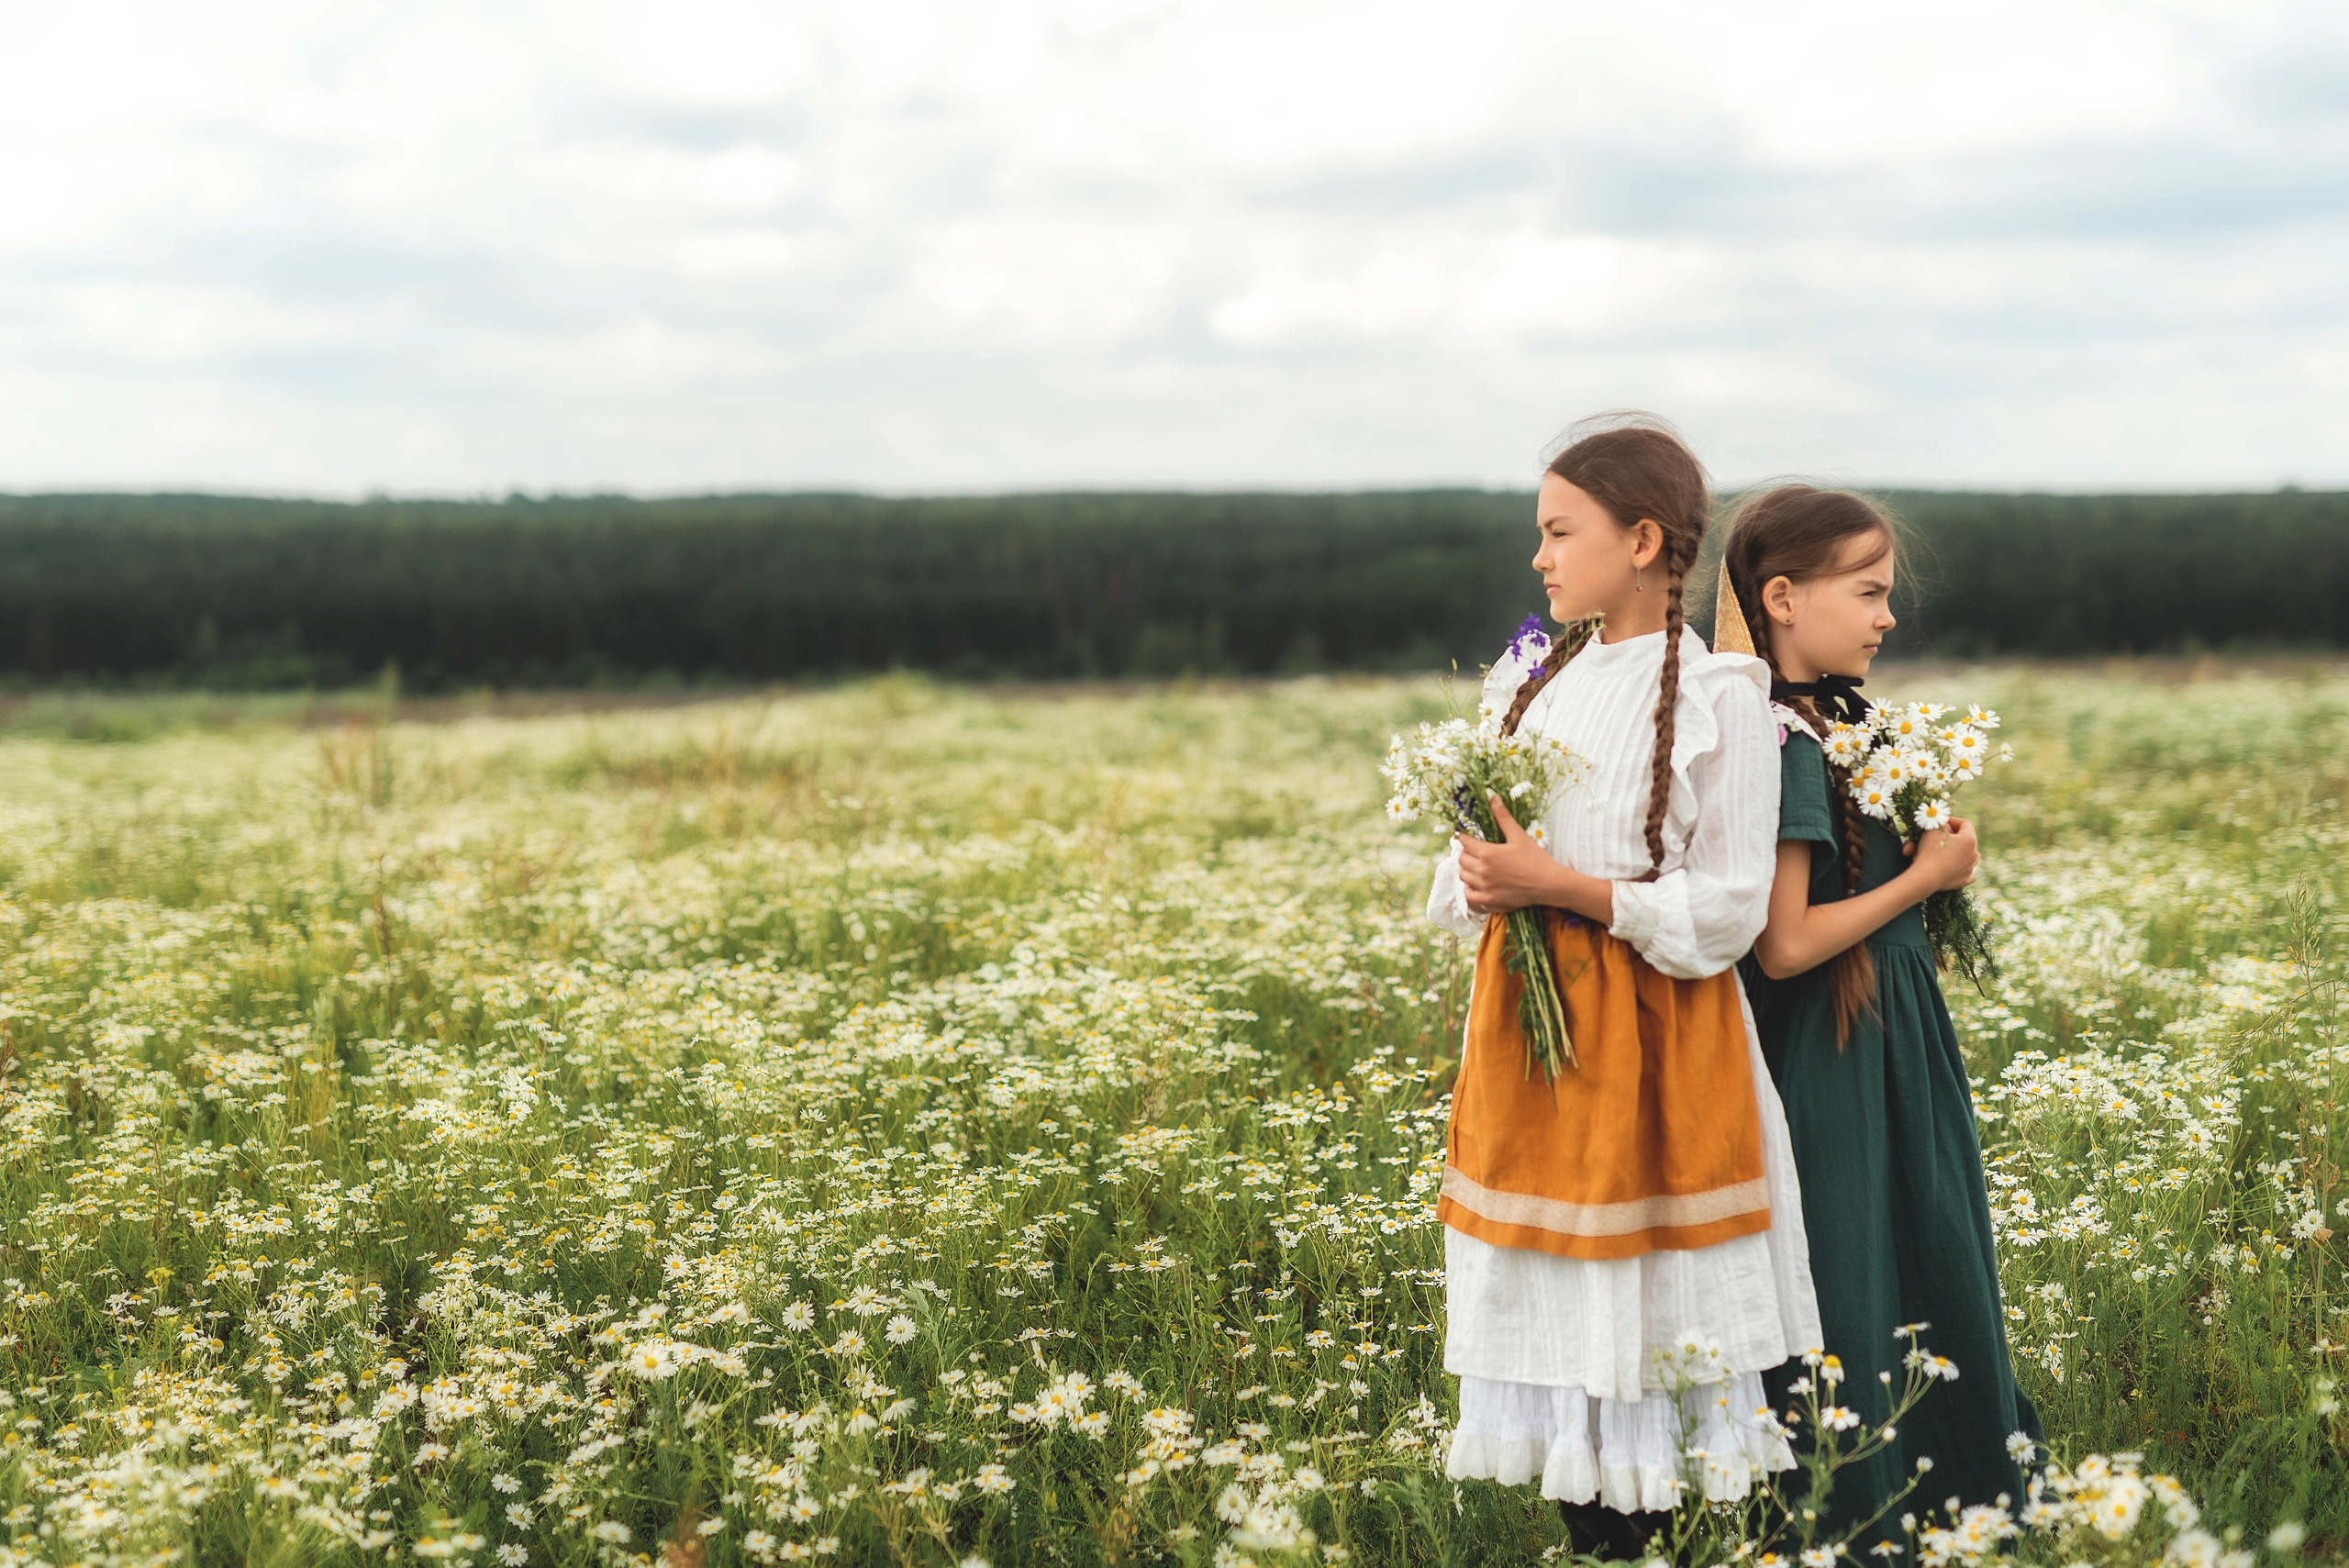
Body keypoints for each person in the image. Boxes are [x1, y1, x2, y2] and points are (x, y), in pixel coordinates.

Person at [1428, 417, 1820, 1562]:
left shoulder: (1720, 695)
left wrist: (1568, 885)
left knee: (1662, 1338)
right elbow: (1467, 878)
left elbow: (1730, 909)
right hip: (1529, 1046)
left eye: (1559, 532)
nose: (1540, 558)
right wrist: (1487, 877)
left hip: (1660, 1052)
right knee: (1560, 1342)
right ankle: (1605, 1537)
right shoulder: (1524, 680)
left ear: (1643, 539)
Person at [1720, 484, 2043, 1549]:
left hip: (1895, 1044)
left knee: (1930, 1247)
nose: (1886, 614)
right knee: (1850, 1269)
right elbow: (1787, 941)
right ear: (1779, 597)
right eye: (1866, 591)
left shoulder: (1850, 724)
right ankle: (1850, 1515)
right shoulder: (1784, 739)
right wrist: (1926, 876)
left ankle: (1956, 1497)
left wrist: (1929, 859)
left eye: (1886, 593)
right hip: (1831, 1056)